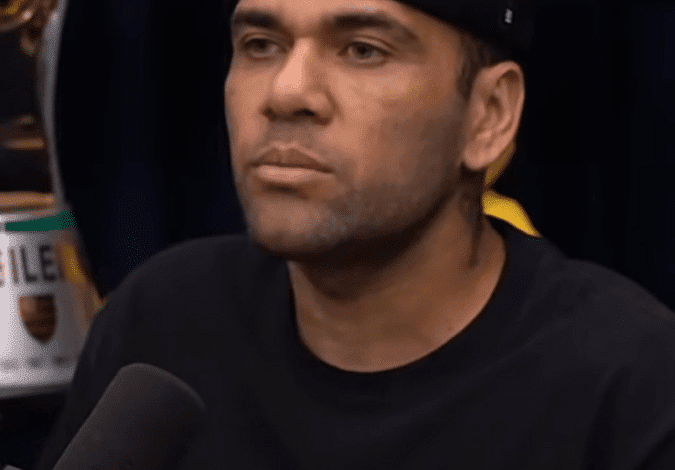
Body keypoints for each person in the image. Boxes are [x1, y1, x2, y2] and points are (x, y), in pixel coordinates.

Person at [33, 0, 675, 468]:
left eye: (363, 50)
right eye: (260, 44)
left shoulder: (630, 386)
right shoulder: (163, 322)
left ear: (489, 115)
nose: (286, 93)